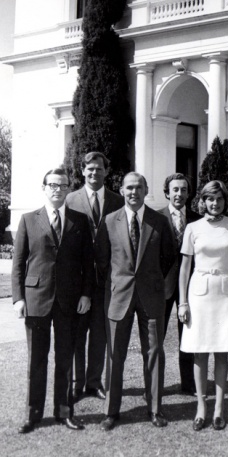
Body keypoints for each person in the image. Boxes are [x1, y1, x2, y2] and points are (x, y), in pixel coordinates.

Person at [12, 168, 94, 433]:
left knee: (64, 358)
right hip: (36, 299)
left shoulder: (80, 221)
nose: (57, 189)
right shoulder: (28, 220)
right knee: (36, 359)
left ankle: (64, 412)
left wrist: (85, 294)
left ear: (68, 189)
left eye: (62, 185)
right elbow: (18, 264)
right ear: (44, 188)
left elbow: (87, 263)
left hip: (69, 300)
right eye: (53, 185)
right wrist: (18, 299)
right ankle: (32, 414)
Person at [95, 172, 177, 431]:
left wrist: (152, 280)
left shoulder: (159, 221)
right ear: (121, 190)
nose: (134, 192)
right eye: (129, 188)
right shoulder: (109, 221)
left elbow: (168, 255)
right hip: (119, 297)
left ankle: (155, 409)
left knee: (154, 353)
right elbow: (102, 260)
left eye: (138, 188)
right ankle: (111, 412)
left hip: (151, 297)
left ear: (146, 190)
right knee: (114, 355)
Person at [176, 180, 228, 431]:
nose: (214, 203)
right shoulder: (193, 228)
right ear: (203, 201)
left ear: (225, 201)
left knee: (221, 351)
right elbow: (185, 267)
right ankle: (201, 406)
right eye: (210, 199)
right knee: (199, 351)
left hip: (226, 292)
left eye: (219, 199)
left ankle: (219, 408)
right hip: (199, 294)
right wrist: (182, 302)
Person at [66, 151, 124, 401]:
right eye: (89, 169)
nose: (94, 173)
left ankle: (93, 382)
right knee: (77, 334)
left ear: (106, 171)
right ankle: (77, 384)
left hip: (106, 280)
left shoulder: (117, 201)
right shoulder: (70, 199)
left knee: (100, 333)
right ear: (82, 171)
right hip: (78, 281)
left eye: (99, 169)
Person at [159, 173, 201, 396]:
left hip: (190, 287)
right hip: (162, 286)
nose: (179, 194)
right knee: (157, 338)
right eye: (175, 190)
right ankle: (156, 385)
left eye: (183, 190)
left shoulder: (197, 219)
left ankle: (189, 384)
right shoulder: (155, 218)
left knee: (188, 336)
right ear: (167, 192)